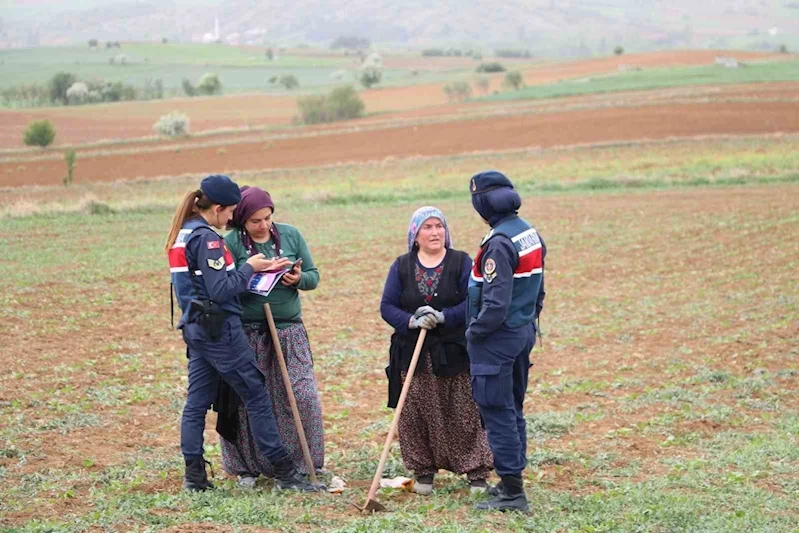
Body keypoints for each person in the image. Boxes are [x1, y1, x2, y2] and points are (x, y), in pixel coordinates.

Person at [165, 174, 318, 492]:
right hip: (221, 332)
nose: (232, 218)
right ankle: (286, 473)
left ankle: (194, 477)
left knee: (196, 402)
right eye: (231, 211)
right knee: (257, 397)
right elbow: (221, 289)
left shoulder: (182, 234)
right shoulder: (207, 239)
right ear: (217, 207)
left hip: (195, 328)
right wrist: (252, 268)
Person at [380, 206, 494, 495]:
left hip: (453, 352)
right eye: (427, 227)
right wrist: (410, 320)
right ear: (415, 235)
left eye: (439, 226)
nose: (434, 232)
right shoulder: (402, 266)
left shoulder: (461, 262)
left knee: (463, 411)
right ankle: (424, 471)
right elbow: (387, 306)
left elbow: (472, 301)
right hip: (413, 354)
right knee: (415, 414)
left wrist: (444, 316)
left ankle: (476, 472)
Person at [218, 186, 324, 487]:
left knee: (302, 397)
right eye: (254, 221)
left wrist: (297, 278)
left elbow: (313, 276)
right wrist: (249, 271)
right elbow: (224, 284)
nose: (263, 225)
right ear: (241, 221)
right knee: (249, 400)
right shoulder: (231, 244)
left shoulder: (291, 235)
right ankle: (248, 467)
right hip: (249, 333)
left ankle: (306, 462)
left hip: (289, 331)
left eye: (267, 218)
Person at [466, 170, 546, 513]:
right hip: (523, 330)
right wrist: (528, 318)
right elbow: (538, 287)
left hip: (498, 339)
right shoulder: (528, 232)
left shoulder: (499, 243)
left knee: (498, 411)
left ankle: (513, 492)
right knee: (513, 408)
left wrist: (475, 331)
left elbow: (495, 303)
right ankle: (510, 482)